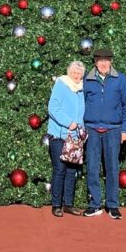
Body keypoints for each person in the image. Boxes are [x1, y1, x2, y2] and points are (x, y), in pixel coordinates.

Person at [82, 47, 126, 219]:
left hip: (113, 130)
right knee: (93, 168)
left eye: (106, 60)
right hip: (92, 129)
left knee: (112, 168)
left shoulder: (120, 79)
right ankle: (94, 204)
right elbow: (81, 104)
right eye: (99, 60)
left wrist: (125, 129)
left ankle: (112, 205)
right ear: (95, 62)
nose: (103, 63)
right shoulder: (86, 80)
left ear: (111, 61)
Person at [46, 61, 86, 217]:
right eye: (74, 72)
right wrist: (68, 122)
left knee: (71, 171)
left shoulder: (82, 89)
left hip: (75, 138)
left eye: (79, 73)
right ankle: (56, 205)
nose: (76, 76)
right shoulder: (61, 85)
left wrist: (81, 130)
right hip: (59, 136)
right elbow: (53, 108)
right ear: (69, 73)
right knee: (60, 170)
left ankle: (68, 204)